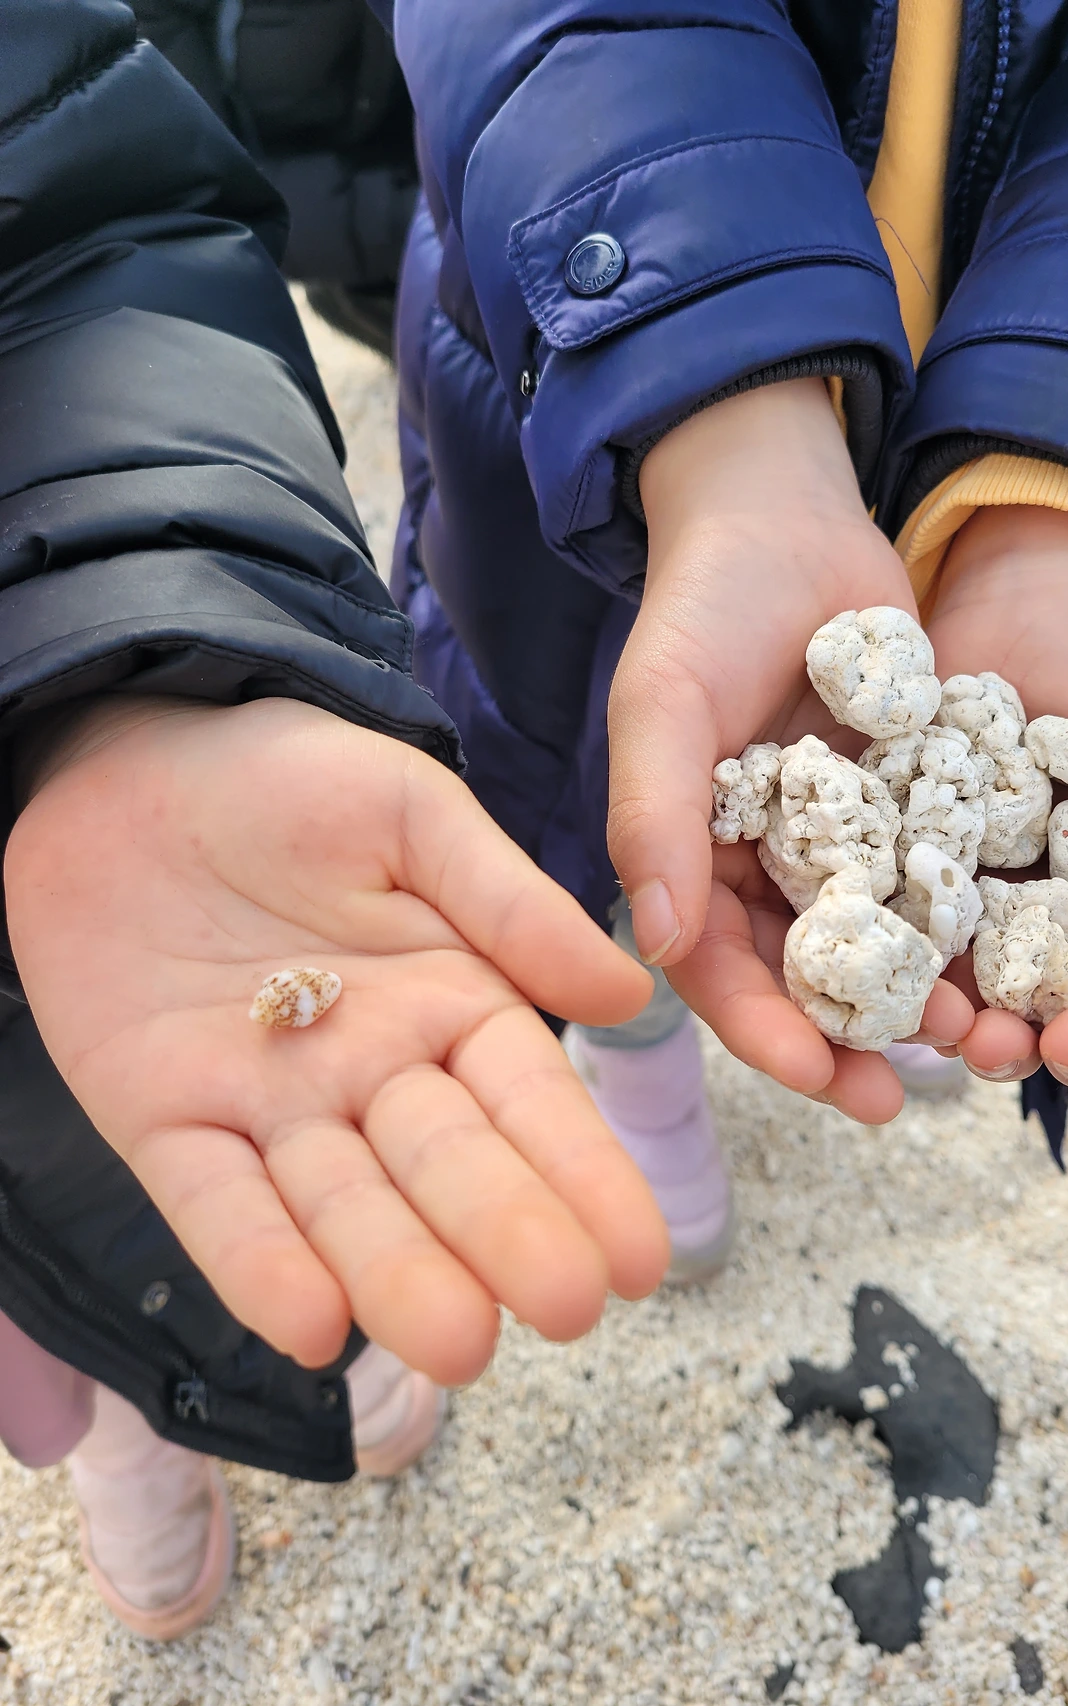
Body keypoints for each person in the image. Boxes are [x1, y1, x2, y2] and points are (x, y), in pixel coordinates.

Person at [382, 0, 1068, 1250]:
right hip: (601, 360)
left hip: (1003, 364)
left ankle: (895, 945)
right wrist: (721, 433)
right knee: (578, 823)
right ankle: (631, 1051)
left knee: (687, 842)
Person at [0, 0, 666, 1638]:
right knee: (51, 1298)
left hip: (82, 766)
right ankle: (128, 1424)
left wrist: (119, 678)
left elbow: (76, 228)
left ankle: (251, 1369)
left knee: (279, 1207)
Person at [126, 0, 419, 358]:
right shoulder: (139, 26)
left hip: (443, 138)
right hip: (377, 224)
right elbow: (210, 190)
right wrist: (404, 218)